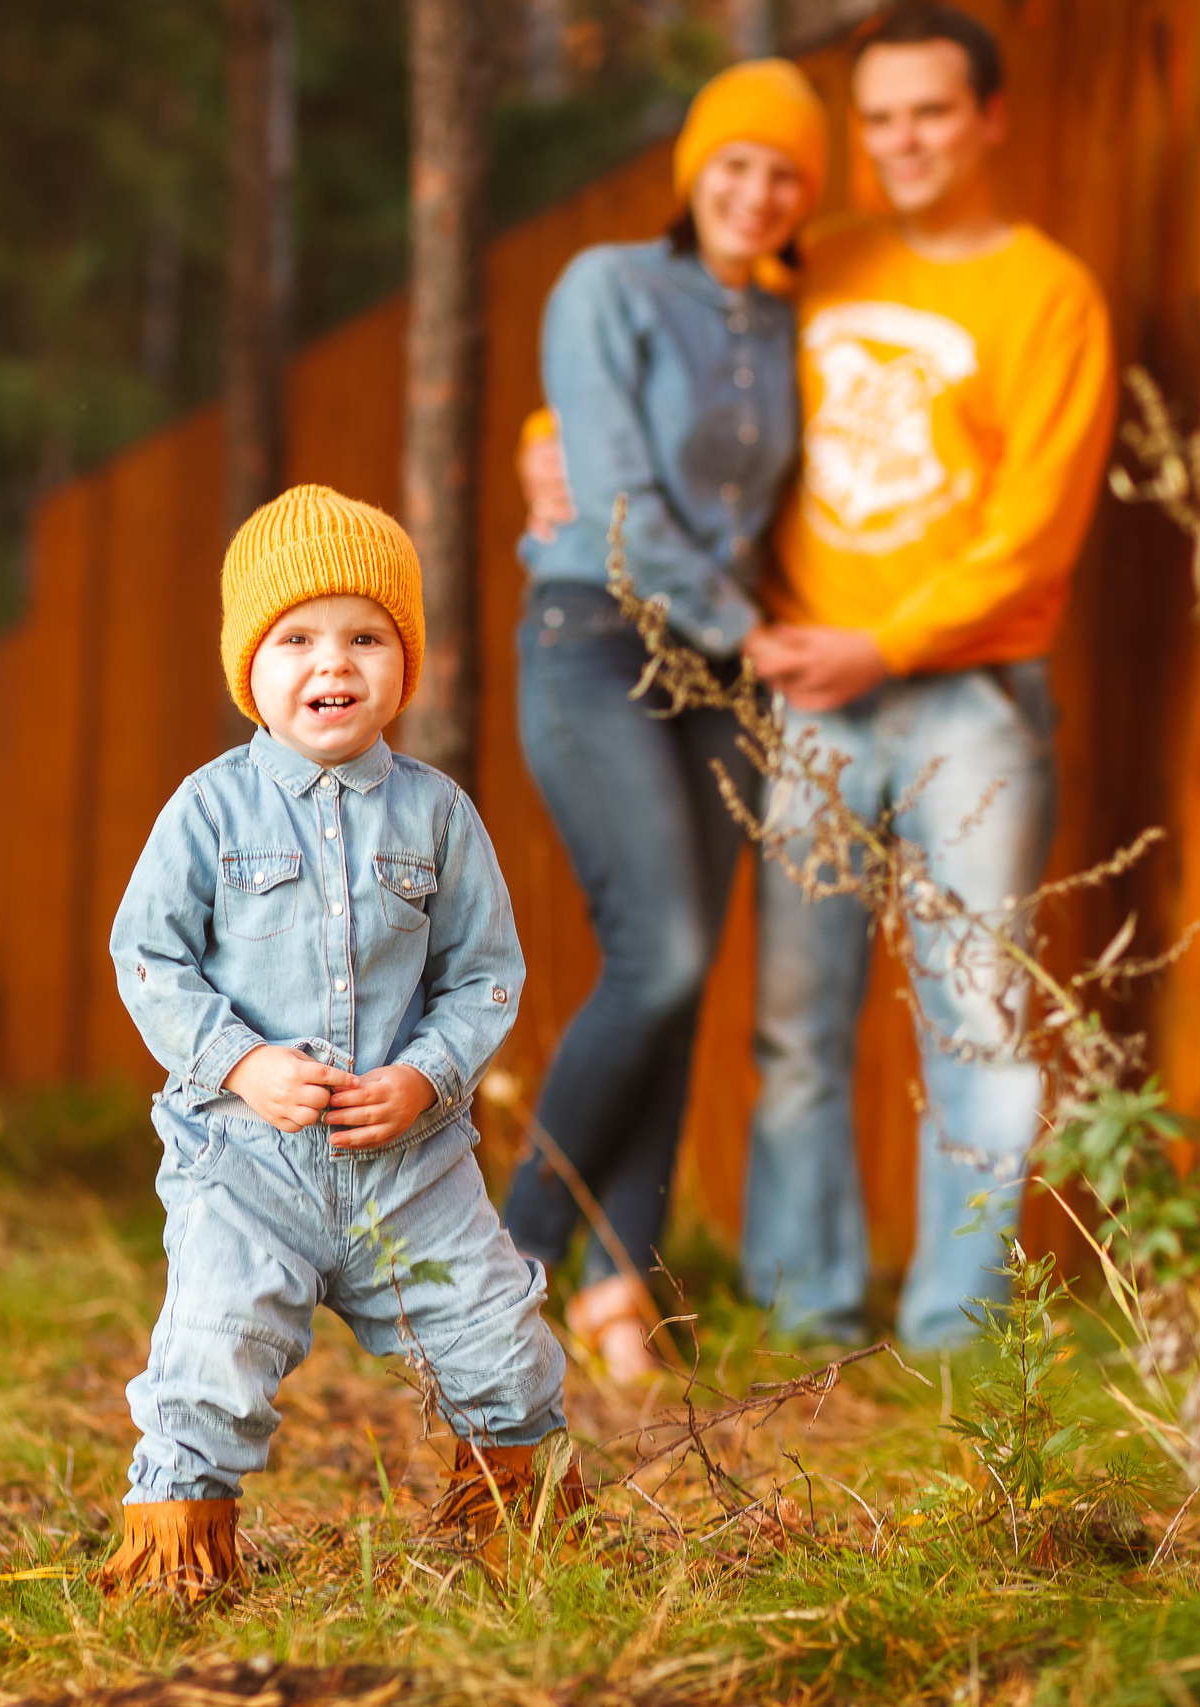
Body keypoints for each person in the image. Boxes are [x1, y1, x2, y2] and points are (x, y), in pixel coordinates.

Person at [99, 484, 582, 1600]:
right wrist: (239, 1061)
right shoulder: (208, 810)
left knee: (501, 1341)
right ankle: (177, 1555)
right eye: (298, 639)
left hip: (408, 1168)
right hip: (245, 1167)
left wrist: (426, 1077)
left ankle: (517, 1534)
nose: (335, 663)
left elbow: (483, 974)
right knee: (211, 1354)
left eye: (367, 636)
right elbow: (147, 959)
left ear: (404, 664)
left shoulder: (439, 816)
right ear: (249, 666)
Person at [741, 2, 1116, 1350]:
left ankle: (960, 1336)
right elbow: (709, 416)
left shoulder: (1049, 295)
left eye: (931, 112)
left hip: (971, 702)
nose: (902, 139)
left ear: (988, 119)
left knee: (977, 1021)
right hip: (812, 702)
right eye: (880, 116)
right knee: (795, 1020)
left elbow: (1033, 540)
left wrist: (884, 644)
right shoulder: (815, 268)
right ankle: (799, 1318)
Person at [499, 60, 828, 1382]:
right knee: (668, 951)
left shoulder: (792, 322)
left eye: (788, 174)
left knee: (677, 986)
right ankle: (508, 1259)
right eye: (737, 164)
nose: (758, 193)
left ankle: (619, 1293)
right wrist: (743, 620)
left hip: (727, 671)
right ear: (695, 169)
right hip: (601, 628)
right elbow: (617, 490)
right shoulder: (607, 286)